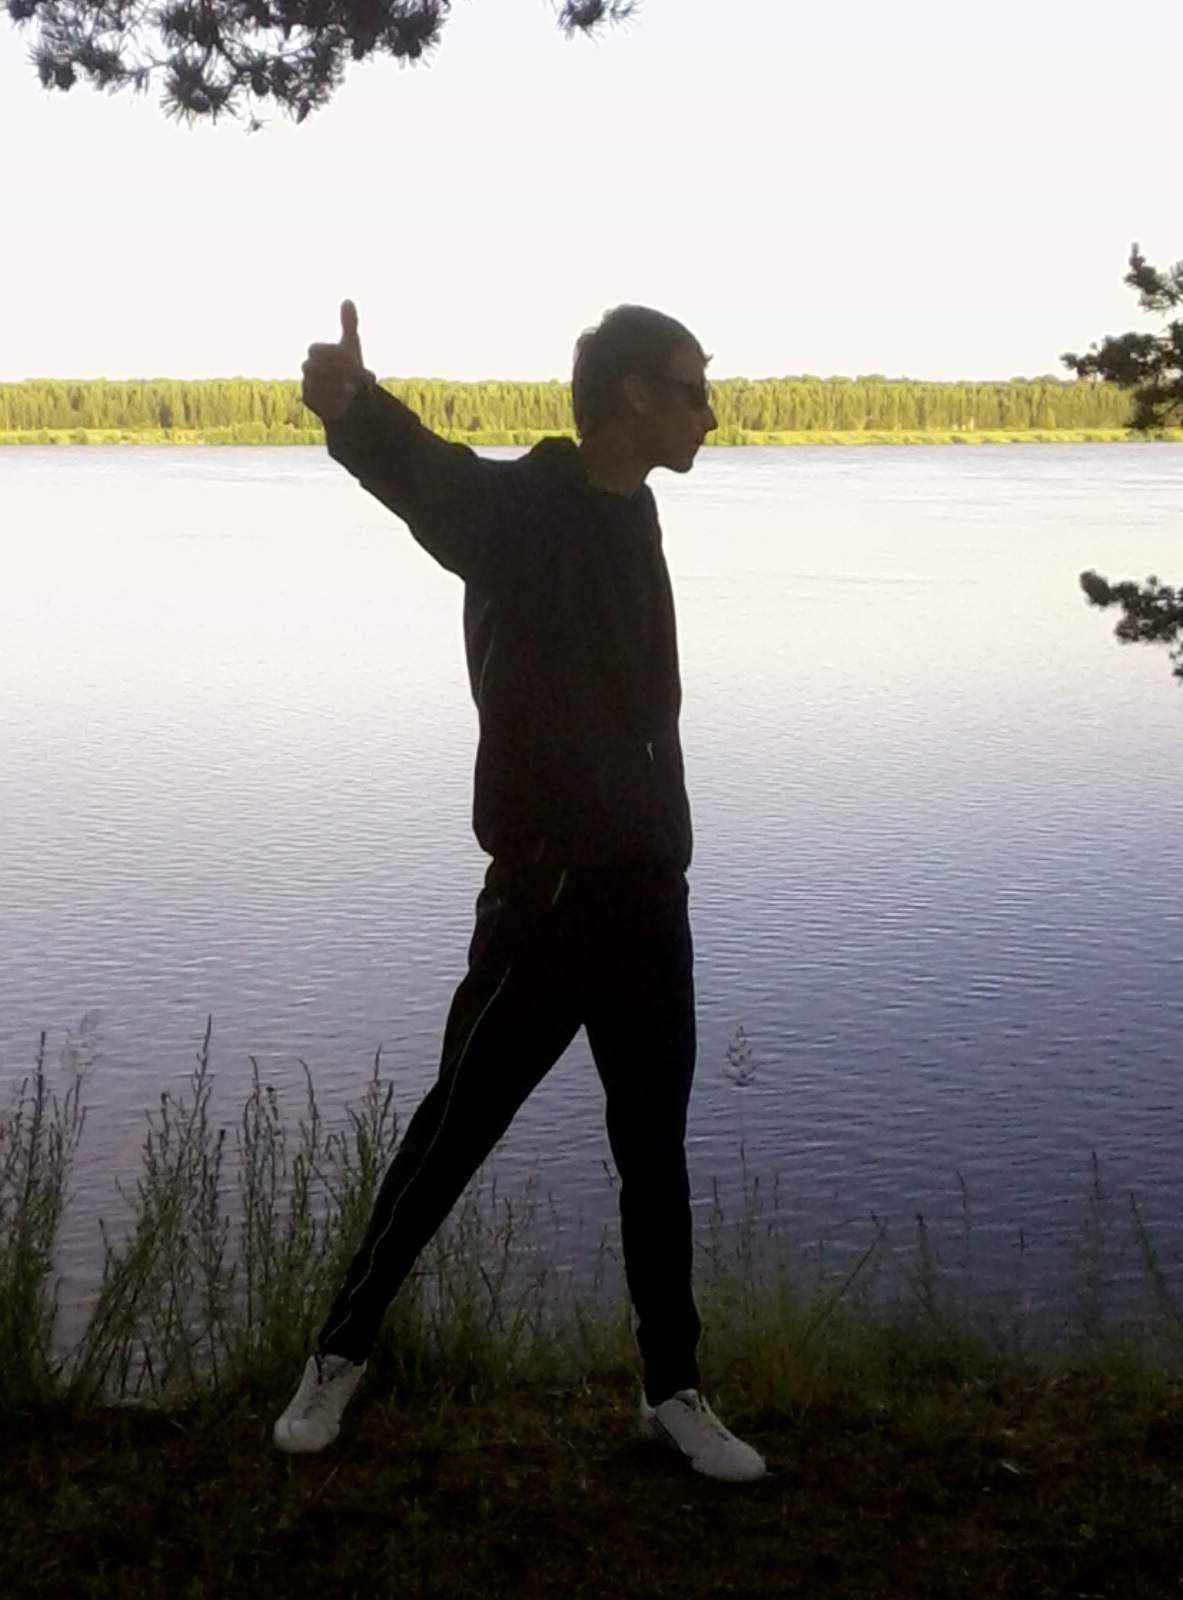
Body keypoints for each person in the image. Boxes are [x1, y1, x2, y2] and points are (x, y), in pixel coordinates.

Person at [273, 301, 766, 1483]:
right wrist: (354, 410)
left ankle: (673, 1390)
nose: (710, 411)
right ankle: (337, 1356)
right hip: (545, 904)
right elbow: (429, 480)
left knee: (654, 1153)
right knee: (451, 1135)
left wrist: (668, 844)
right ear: (634, 396)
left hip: (647, 900)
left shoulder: (635, 511)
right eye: (693, 388)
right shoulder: (522, 514)